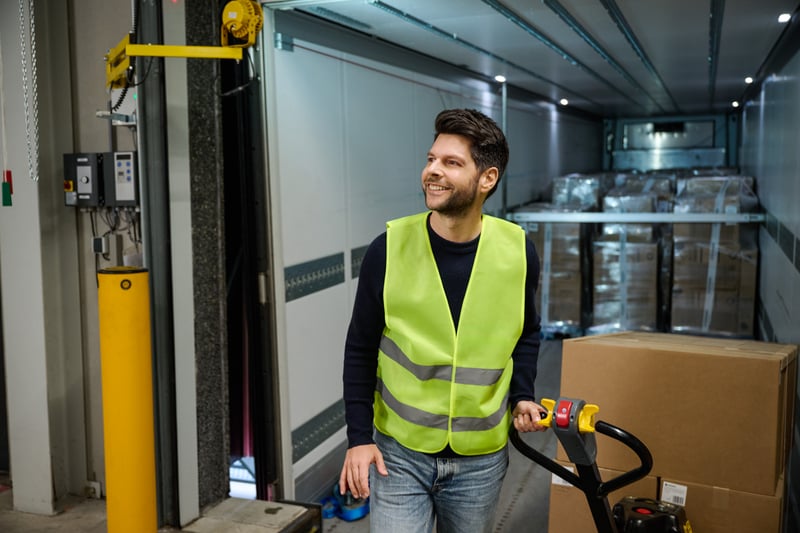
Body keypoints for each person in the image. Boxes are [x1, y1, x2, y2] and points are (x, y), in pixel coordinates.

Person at [339, 108, 546, 533]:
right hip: (399, 454)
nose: (432, 171)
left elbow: (527, 332)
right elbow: (360, 347)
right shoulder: (388, 248)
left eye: (451, 163)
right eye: (431, 159)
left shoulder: (518, 252)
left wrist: (522, 394)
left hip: (480, 461)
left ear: (486, 179)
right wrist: (359, 438)